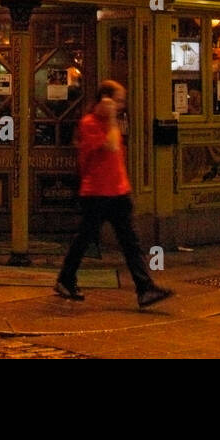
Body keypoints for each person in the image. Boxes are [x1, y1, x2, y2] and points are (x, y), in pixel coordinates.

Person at [56, 80, 173, 308]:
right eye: (118, 100)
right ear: (105, 100)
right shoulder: (90, 123)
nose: (121, 106)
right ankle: (65, 278)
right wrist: (110, 120)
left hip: (117, 192)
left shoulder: (109, 124)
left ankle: (145, 288)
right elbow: (110, 147)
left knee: (130, 242)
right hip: (97, 193)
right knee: (84, 239)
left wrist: (126, 187)